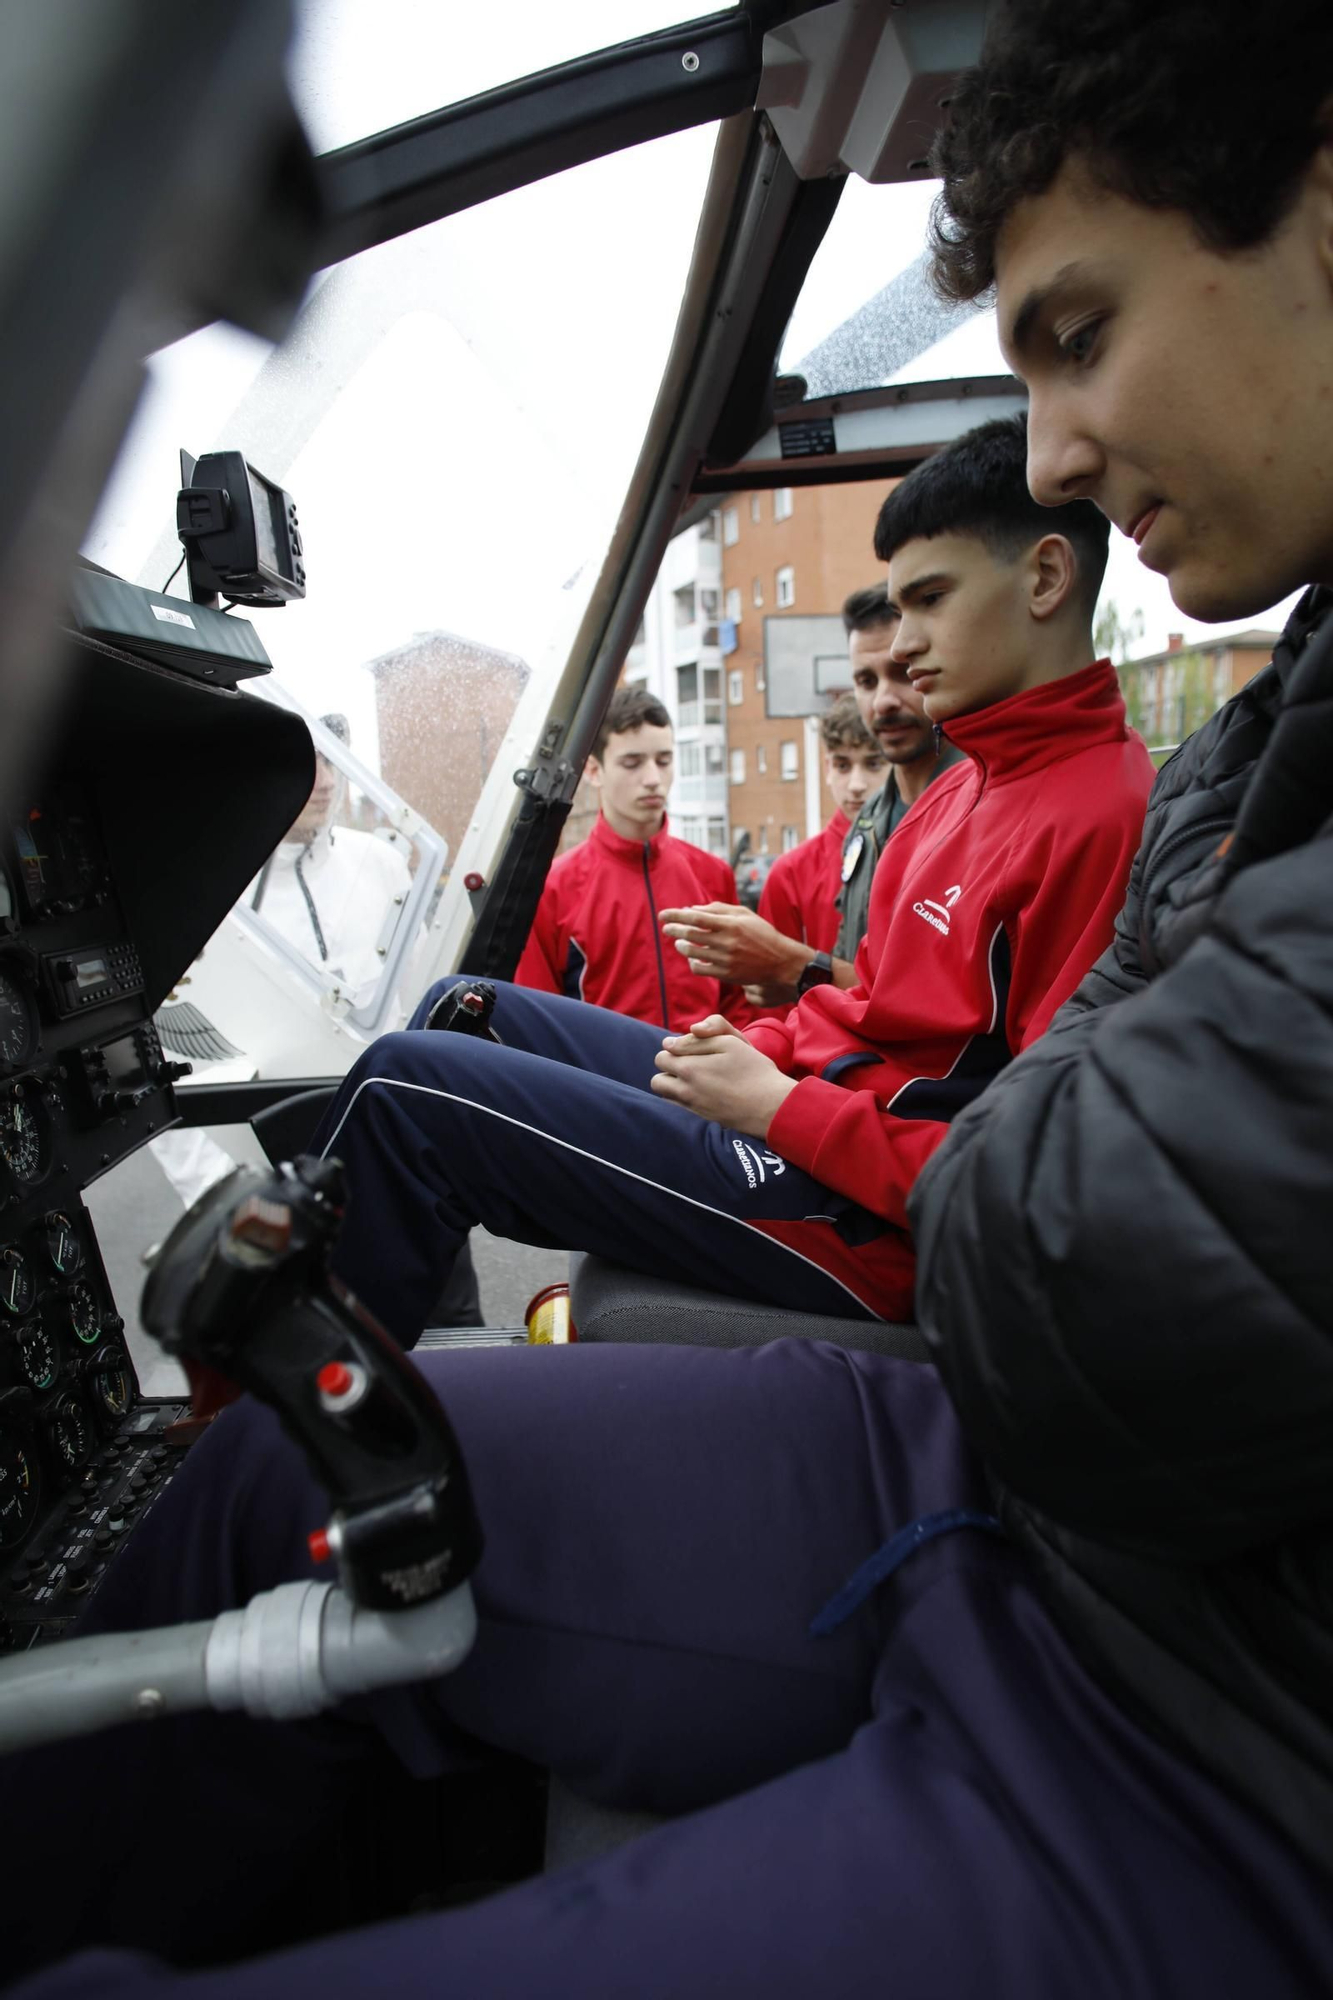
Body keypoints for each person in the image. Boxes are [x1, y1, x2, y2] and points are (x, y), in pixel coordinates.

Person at [24, 4, 1333, 1986]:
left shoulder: (1099, 799)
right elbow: (1030, 1107)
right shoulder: (1223, 772)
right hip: (1003, 1463)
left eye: (1079, 330)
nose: (1063, 454)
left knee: (416, 1091)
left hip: (1207, 1724)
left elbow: (1052, 1210)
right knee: (283, 1449)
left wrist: (780, 1084)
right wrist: (807, 1029)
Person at [260, 411, 1149, 1351]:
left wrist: (774, 1105)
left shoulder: (1102, 814)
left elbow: (1037, 1171)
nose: (904, 645)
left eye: (930, 600)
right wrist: (756, 1047)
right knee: (463, 1006)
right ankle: (390, 1354)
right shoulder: (961, 786)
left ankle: (306, 1448)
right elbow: (880, 1016)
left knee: (409, 1091)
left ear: (1045, 577)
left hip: (865, 1222)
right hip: (804, 1112)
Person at [660, 584, 963, 999]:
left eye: (902, 673)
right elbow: (860, 988)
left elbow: (942, 1006)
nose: (884, 700)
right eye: (865, 680)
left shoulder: (983, 810)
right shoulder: (867, 824)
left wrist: (795, 967)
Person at [513, 686, 755, 1030]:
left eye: (664, 760)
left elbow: (739, 1000)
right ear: (594, 770)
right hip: (601, 1080)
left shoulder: (712, 875)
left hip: (706, 1079)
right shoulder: (552, 889)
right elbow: (538, 1022)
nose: (653, 779)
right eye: (632, 763)